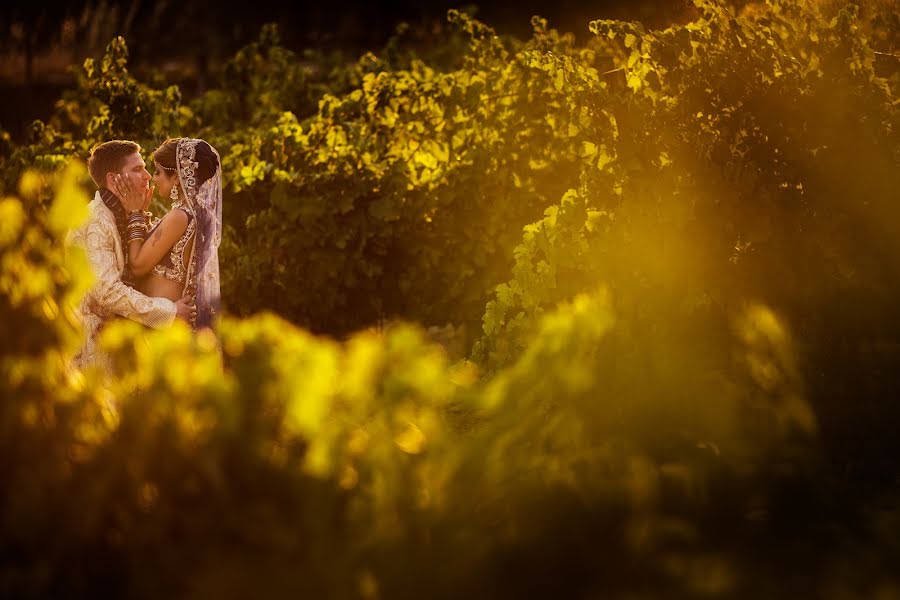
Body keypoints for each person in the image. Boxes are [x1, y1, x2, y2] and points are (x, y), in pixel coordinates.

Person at [68, 139, 195, 370]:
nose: (148, 176)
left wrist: (138, 216)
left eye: (147, 169)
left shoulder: (119, 214)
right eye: (138, 170)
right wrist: (170, 311)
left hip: (117, 351)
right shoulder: (96, 221)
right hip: (90, 352)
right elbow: (106, 291)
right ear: (113, 179)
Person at [111, 137, 222, 332]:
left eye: (158, 172)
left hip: (163, 325)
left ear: (177, 178)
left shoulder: (179, 216)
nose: (154, 178)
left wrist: (135, 214)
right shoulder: (198, 213)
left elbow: (137, 265)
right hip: (164, 321)